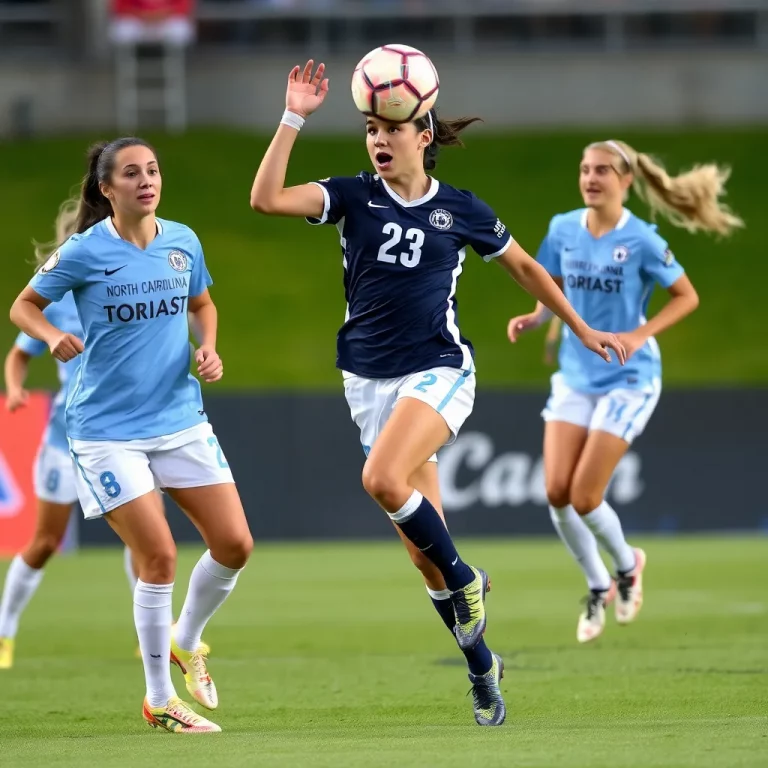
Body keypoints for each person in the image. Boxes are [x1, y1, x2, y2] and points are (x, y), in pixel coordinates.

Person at [249, 60, 625, 726]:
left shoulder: (462, 211)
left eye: (391, 128)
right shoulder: (352, 196)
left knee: (383, 478)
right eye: (369, 129)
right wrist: (293, 117)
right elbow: (266, 199)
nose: (378, 140)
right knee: (425, 558)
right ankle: (482, 667)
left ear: (425, 134)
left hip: (439, 369)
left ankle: (468, 581)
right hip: (367, 382)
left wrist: (582, 326)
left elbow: (527, 269)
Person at [10, 137, 253, 733]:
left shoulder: (182, 241)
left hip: (179, 420)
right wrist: (49, 334)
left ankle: (185, 639)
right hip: (106, 432)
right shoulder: (85, 251)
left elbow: (204, 304)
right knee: (159, 556)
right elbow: (22, 306)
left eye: (152, 170)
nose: (146, 180)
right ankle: (159, 698)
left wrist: (209, 347)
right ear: (105, 188)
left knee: (235, 545)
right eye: (130, 173)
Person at [507, 139, 743, 643]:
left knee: (586, 496)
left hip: (628, 378)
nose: (591, 178)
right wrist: (536, 316)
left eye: (602, 171)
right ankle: (598, 585)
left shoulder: (642, 240)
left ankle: (627, 566)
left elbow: (688, 296)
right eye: (584, 170)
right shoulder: (562, 227)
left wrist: (639, 335)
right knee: (555, 493)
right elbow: (551, 280)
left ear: (627, 181)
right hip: (576, 372)